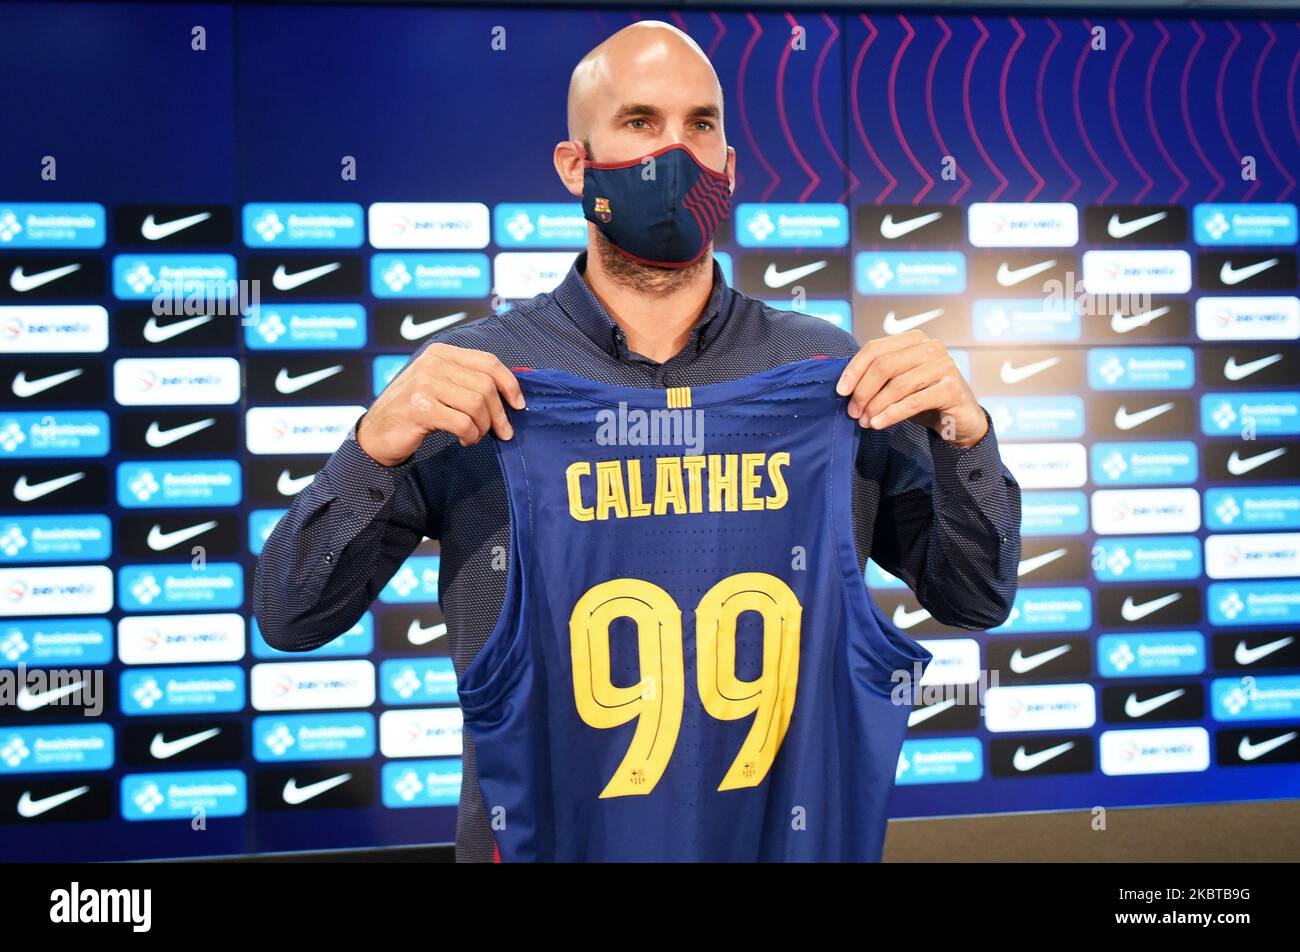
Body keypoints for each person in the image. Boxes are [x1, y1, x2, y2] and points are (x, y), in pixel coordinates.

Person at [253, 20, 1021, 861]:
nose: (677, 153)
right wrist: (373, 445)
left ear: (730, 166)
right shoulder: (475, 381)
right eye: (640, 122)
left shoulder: (829, 377)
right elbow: (291, 617)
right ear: (574, 166)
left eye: (701, 125)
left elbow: (976, 598)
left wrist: (965, 436)